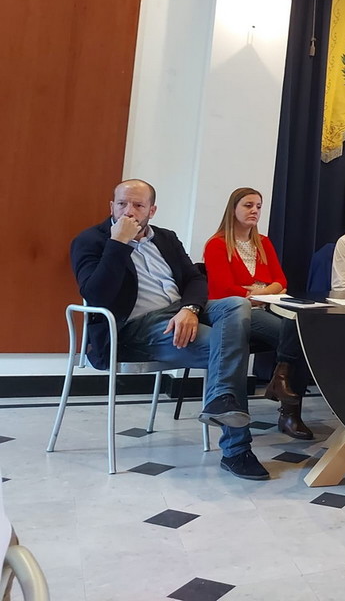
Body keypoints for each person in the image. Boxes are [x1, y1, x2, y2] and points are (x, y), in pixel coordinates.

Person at [70, 179, 269, 480]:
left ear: (152, 210)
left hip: (182, 313)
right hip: (135, 327)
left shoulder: (166, 238)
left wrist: (190, 309)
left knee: (236, 305)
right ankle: (236, 451)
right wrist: (118, 244)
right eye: (122, 204)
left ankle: (223, 400)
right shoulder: (90, 241)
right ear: (111, 206)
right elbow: (97, 295)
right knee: (227, 344)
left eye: (138, 205)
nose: (129, 211)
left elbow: (195, 279)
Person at [203, 187, 314, 441]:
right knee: (294, 335)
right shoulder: (217, 244)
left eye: (258, 206)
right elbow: (223, 290)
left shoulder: (263, 243)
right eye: (248, 205)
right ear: (233, 209)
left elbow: (282, 281)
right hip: (235, 314)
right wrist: (266, 291)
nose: (254, 210)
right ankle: (289, 410)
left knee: (303, 329)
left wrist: (258, 292)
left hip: (267, 308)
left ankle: (283, 386)